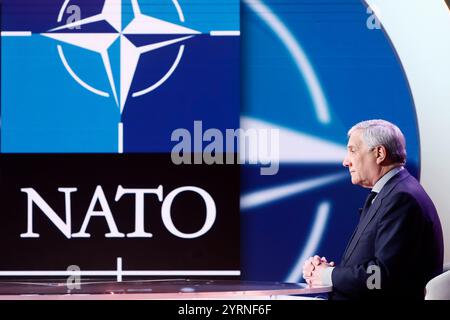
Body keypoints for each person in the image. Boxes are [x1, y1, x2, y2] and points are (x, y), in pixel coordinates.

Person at [303, 119, 444, 300]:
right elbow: (375, 267)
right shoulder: (391, 193)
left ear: (379, 153)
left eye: (353, 151)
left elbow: (380, 277)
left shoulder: (402, 199)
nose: (346, 162)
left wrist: (327, 274)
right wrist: (329, 273)